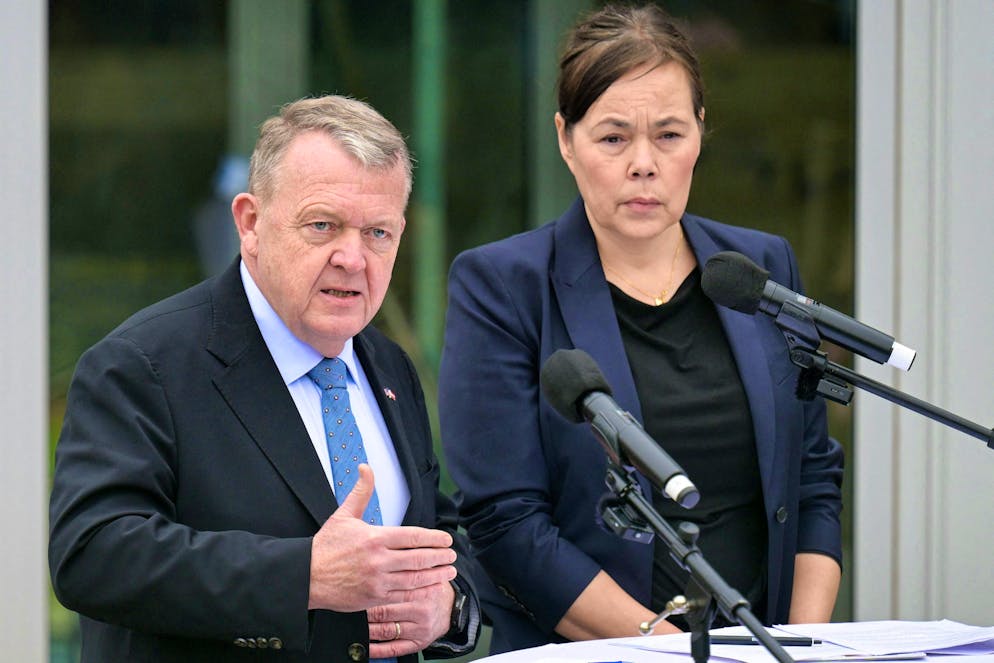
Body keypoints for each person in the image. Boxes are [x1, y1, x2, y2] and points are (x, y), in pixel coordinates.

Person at [438, 3, 843, 654]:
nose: (644, 163)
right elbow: (505, 522)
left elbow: (814, 477)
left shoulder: (762, 267)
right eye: (614, 137)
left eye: (670, 134)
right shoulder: (502, 285)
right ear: (566, 140)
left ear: (702, 133)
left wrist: (797, 645)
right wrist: (670, 649)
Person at [49, 95, 480, 663]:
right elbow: (94, 555)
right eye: (323, 225)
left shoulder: (389, 365)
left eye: (378, 233)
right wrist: (305, 575)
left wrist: (449, 605)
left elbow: (430, 525)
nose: (353, 258)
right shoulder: (143, 364)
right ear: (250, 223)